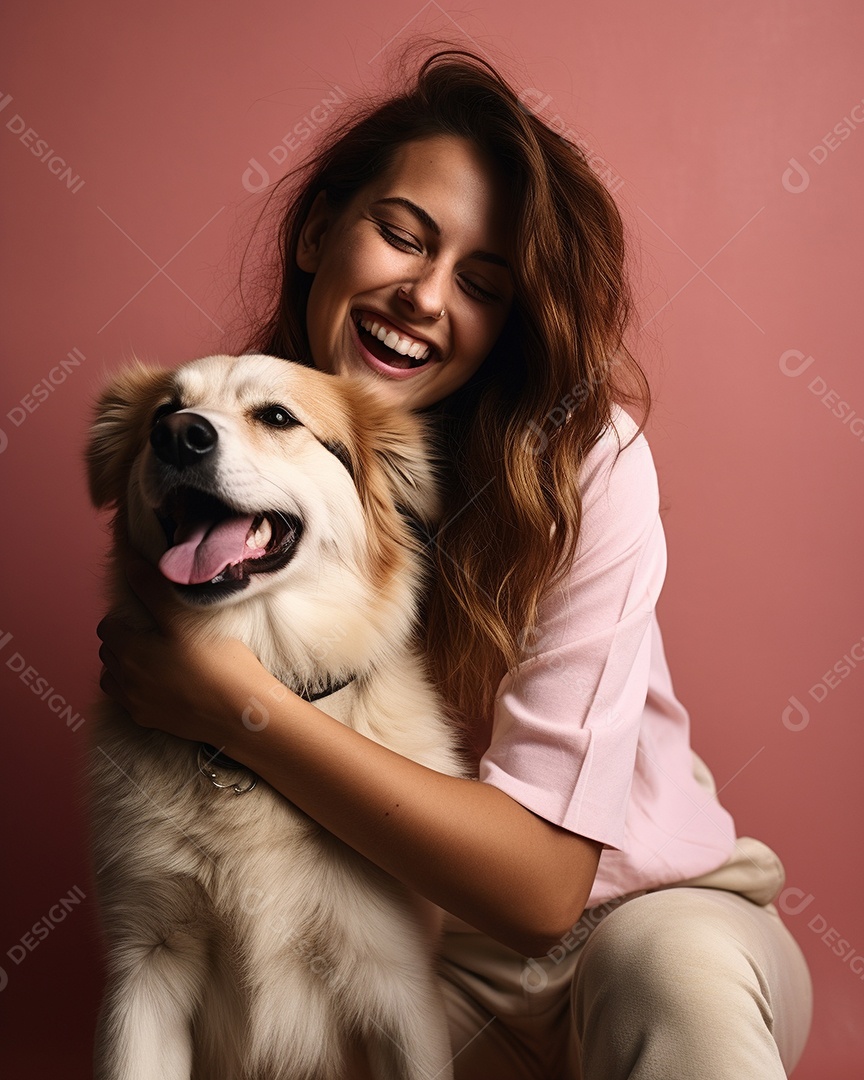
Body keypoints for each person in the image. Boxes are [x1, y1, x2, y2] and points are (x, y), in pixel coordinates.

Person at [96, 48, 814, 1078]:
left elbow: (542, 893)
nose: (425, 297)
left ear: (509, 320)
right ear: (316, 230)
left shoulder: (581, 461)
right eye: (402, 236)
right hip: (408, 957)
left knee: (678, 979)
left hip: (642, 917)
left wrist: (236, 706)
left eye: (481, 285)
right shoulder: (220, 449)